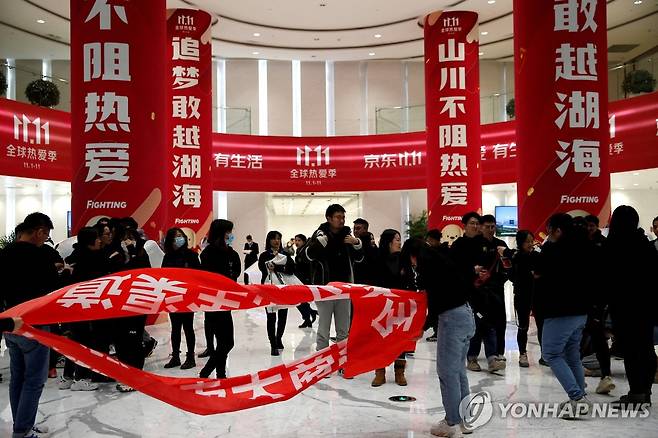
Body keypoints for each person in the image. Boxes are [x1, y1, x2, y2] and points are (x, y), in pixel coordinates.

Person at [0, 212, 59, 438]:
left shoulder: (3, 254)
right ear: (39, 231)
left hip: (9, 323)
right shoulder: (40, 256)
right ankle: (23, 431)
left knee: (18, 377)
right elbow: (53, 287)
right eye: (46, 236)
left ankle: (22, 425)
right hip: (34, 325)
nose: (45, 240)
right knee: (34, 380)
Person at [411, 237, 475, 437]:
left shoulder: (431, 268)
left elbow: (438, 302)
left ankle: (451, 422)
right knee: (458, 372)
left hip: (452, 320)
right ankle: (465, 418)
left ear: (414, 256)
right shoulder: (442, 260)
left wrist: (424, 325)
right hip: (466, 316)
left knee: (447, 373)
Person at [534, 213, 594, 418]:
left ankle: (577, 397)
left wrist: (547, 245)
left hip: (559, 311)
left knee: (551, 354)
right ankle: (580, 397)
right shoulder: (585, 247)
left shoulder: (555, 249)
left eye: (550, 230)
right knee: (572, 355)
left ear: (557, 230)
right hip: (580, 311)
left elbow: (538, 271)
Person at [603, 206, 657, 408]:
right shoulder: (645, 244)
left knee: (632, 350)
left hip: (624, 306)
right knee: (645, 347)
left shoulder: (614, 245)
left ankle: (636, 393)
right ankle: (645, 391)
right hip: (647, 306)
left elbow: (607, 279)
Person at [302, 204, 363, 376]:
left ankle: (343, 363)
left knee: (343, 330)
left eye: (343, 217)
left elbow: (359, 258)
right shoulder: (319, 234)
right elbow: (305, 256)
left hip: (344, 288)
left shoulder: (348, 236)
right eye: (338, 217)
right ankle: (322, 365)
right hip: (325, 289)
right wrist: (317, 245)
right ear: (328, 218)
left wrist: (357, 243)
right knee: (323, 330)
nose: (341, 220)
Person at [451, 212, 505, 373]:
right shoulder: (458, 245)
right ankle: (472, 357)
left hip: (486, 290)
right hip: (467, 292)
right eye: (472, 223)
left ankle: (492, 357)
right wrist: (471, 270)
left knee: (488, 322)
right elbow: (453, 267)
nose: (475, 226)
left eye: (477, 223)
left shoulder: (484, 243)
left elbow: (493, 265)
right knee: (473, 324)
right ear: (464, 226)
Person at [59, 227, 109, 392]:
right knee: (85, 343)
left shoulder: (73, 257)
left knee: (75, 341)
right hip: (87, 307)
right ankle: (81, 377)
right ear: (90, 241)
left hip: (72, 307)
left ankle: (67, 377)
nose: (100, 240)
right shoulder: (92, 259)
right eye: (97, 238)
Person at [199, 219, 241, 379]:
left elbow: (236, 272)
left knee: (224, 342)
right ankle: (207, 372)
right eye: (228, 232)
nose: (231, 235)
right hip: (214, 302)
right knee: (226, 342)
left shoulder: (231, 253)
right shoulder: (208, 253)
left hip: (227, 301)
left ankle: (220, 374)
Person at [371, 229, 408, 387]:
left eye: (399, 239)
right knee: (380, 338)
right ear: (388, 242)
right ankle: (380, 372)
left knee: (400, 339)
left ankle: (399, 372)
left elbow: (409, 282)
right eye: (397, 239)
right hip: (382, 305)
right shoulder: (377, 259)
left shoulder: (404, 259)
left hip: (400, 306)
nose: (399, 242)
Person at [161, 228, 201, 370]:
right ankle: (175, 357)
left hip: (188, 296)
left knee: (188, 327)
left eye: (181, 236)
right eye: (176, 236)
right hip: (173, 296)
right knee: (175, 328)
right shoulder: (167, 257)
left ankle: (190, 357)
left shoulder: (191, 255)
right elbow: (163, 277)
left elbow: (199, 276)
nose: (179, 238)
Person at [259, 230, 295, 356]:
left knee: (283, 315)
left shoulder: (285, 254)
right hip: (269, 289)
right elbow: (262, 269)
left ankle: (279, 337)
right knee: (271, 316)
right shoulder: (264, 255)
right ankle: (273, 344)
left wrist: (278, 267)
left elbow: (291, 269)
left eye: (278, 238)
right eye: (274, 238)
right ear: (269, 240)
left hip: (283, 289)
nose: (276, 241)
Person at [509, 230, 539, 368]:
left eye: (531, 241)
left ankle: (546, 354)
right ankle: (522, 353)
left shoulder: (537, 255)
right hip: (522, 295)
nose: (530, 244)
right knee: (523, 326)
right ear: (520, 243)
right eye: (527, 241)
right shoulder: (517, 257)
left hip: (538, 295)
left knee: (542, 325)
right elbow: (511, 276)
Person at [293, 234, 318, 328]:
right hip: (299, 279)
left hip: (306, 279)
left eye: (299, 240)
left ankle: (308, 318)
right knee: (300, 300)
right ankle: (310, 315)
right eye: (296, 240)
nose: (296, 242)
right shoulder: (299, 250)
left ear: (304, 241)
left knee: (300, 300)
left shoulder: (306, 251)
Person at [352, 218, 378, 286]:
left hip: (369, 283)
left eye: (358, 228)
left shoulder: (371, 246)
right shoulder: (351, 244)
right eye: (354, 228)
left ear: (365, 229)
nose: (355, 231)